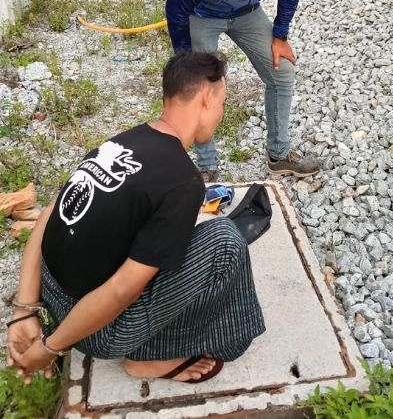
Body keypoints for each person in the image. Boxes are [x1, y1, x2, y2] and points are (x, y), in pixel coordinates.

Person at [6, 52, 264, 384]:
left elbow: (52, 214)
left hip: (52, 292)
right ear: (205, 97)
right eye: (222, 103)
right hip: (98, 333)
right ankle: (151, 358)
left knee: (172, 236)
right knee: (224, 240)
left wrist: (24, 308)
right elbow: (121, 291)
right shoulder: (183, 181)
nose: (221, 114)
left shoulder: (121, 143)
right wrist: (49, 347)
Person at [165, 0, 320, 182]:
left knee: (282, 71)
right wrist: (185, 61)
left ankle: (279, 155)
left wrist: (280, 34)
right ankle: (206, 166)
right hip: (202, 13)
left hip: (246, 11)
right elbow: (176, 9)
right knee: (201, 86)